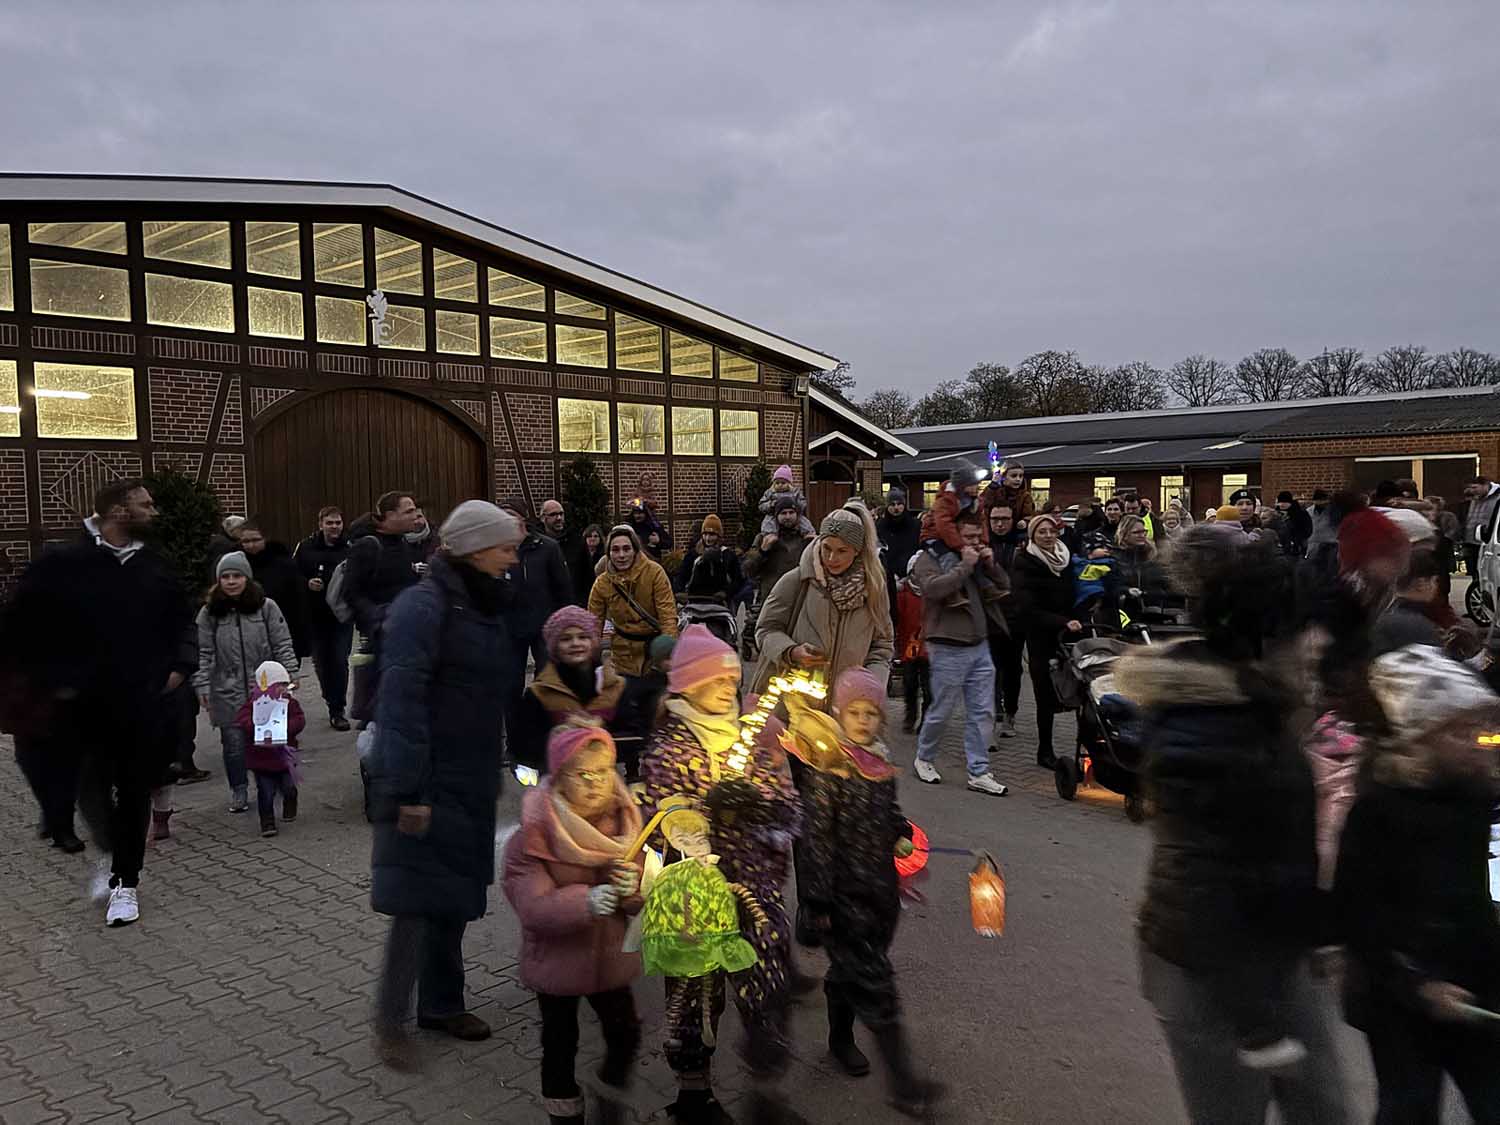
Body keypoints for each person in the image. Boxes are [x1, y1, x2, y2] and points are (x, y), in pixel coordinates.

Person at [1117, 525, 1347, 1125]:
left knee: (1326, 1108)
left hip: (1273, 955)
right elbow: (1204, 886)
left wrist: (1321, 930)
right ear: (1267, 639)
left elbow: (1279, 848)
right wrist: (1258, 1024)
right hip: (1209, 975)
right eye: (1305, 632)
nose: (1319, 644)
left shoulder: (1261, 708)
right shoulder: (1205, 734)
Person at [368, 501, 523, 1070]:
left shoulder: (478, 602)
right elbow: (401, 701)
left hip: (468, 775)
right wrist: (408, 790)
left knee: (452, 896)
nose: (512, 557)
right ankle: (391, 1022)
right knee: (415, 903)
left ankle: (441, 1004)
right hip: (428, 779)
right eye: (504, 547)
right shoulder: (424, 606)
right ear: (475, 549)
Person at [1, 480, 195, 925]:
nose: (154, 511)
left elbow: (183, 621)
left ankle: (126, 883)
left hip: (138, 704)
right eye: (146, 504)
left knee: (133, 789)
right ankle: (108, 850)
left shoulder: (154, 565)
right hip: (77, 707)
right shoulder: (63, 562)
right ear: (118, 510)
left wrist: (181, 665)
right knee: (89, 788)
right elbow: (20, 624)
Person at [1335, 645, 1500, 1123]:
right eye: (1458, 731)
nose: (1477, 742)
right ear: (1419, 738)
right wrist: (1420, 983)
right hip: (1399, 1000)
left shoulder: (1471, 795)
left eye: (1480, 727)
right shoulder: (1379, 809)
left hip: (1472, 987)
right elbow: (1358, 914)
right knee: (1408, 1107)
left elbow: (1469, 899)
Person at [641, 624, 802, 1112]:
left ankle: (765, 1068)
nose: (726, 689)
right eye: (714, 680)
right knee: (694, 991)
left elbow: (790, 808)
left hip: (754, 884)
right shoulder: (669, 747)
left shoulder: (754, 736)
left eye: (731, 680)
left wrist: (760, 803)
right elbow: (656, 818)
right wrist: (703, 810)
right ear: (688, 685)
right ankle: (693, 1089)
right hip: (694, 895)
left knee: (767, 972)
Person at [781, 668, 944, 1117]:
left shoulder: (879, 763)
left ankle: (839, 1039)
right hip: (842, 898)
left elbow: (888, 812)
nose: (862, 721)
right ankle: (905, 1086)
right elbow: (815, 840)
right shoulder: (827, 768)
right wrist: (817, 901)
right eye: (854, 712)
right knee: (876, 984)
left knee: (849, 971)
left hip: (880, 893)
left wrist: (899, 832)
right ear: (839, 714)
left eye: (871, 713)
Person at [502, 725, 645, 1125]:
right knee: (560, 1043)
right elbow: (532, 904)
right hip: (557, 963)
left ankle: (608, 1091)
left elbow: (640, 895)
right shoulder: (535, 832)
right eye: (582, 774)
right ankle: (565, 1116)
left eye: (603, 771)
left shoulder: (626, 823)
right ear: (560, 776)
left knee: (626, 1032)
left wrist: (633, 888)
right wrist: (586, 901)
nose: (595, 782)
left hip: (610, 958)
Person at [910, 512, 1008, 796]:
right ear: (953, 536)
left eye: (978, 536)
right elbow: (933, 589)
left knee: (982, 712)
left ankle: (979, 771)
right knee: (942, 710)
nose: (974, 542)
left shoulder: (977, 560)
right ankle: (924, 757)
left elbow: (1005, 586)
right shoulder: (930, 557)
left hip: (979, 644)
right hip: (947, 645)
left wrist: (990, 565)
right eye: (968, 537)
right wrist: (964, 566)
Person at [752, 502, 894, 697]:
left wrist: (870, 687)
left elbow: (882, 646)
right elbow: (765, 629)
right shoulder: (796, 580)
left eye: (842, 551)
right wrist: (790, 651)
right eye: (826, 548)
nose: (832, 558)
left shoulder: (874, 589)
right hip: (795, 702)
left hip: (846, 705)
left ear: (857, 551)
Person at [194, 551, 299, 814]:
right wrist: (202, 684)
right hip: (225, 690)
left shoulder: (266, 607)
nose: (231, 581)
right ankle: (238, 788)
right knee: (233, 745)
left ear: (247, 578)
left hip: (264, 688)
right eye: (225, 577)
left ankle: (276, 783)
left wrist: (289, 675)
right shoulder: (209, 613)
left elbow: (282, 643)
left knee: (270, 742)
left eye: (237, 576)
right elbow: (203, 652)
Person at [511, 606, 627, 778]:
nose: (575, 643)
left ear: (593, 642)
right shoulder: (540, 693)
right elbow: (525, 746)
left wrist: (600, 732)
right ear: (554, 646)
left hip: (605, 782)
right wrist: (562, 737)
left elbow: (631, 736)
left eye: (583, 637)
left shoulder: (614, 687)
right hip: (557, 781)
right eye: (566, 639)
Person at [343, 491, 425, 722]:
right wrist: (377, 617)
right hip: (380, 637)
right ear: (389, 515)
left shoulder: (403, 543)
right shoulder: (368, 546)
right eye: (409, 511)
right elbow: (351, 592)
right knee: (379, 706)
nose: (416, 515)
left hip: (406, 632)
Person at [1010, 513, 1081, 770]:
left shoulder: (1066, 557)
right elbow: (1026, 607)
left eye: (1052, 531)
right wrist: (1061, 621)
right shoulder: (1025, 562)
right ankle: (1045, 749)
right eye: (1042, 532)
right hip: (1041, 634)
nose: (1048, 536)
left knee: (1078, 690)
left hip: (1071, 632)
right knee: (1045, 694)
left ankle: (1084, 746)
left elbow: (1077, 591)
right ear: (1033, 535)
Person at [499, 497, 572, 717]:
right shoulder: (498, 550)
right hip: (511, 629)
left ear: (523, 518)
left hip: (544, 627)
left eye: (511, 515)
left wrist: (564, 625)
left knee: (547, 684)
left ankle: (545, 728)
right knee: (510, 687)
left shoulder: (547, 547)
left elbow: (563, 588)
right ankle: (515, 733)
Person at [587, 525, 678, 679]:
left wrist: (667, 652)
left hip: (653, 651)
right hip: (622, 654)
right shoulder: (602, 583)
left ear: (635, 550)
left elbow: (667, 615)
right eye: (615, 550)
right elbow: (593, 623)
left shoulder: (654, 573)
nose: (621, 555)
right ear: (608, 553)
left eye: (626, 549)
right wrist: (589, 656)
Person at [294, 505, 353, 730]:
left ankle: (338, 709)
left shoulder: (350, 548)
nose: (334, 527)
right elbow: (294, 574)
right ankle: (330, 698)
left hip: (341, 616)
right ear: (320, 524)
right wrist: (307, 583)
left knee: (339, 660)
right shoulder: (305, 547)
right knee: (321, 662)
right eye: (329, 523)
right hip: (315, 615)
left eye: (338, 522)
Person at [233, 660, 306, 838]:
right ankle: (267, 822)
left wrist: (286, 727)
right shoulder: (254, 704)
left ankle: (290, 802)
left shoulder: (289, 703)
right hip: (261, 760)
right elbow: (242, 720)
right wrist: (256, 726)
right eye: (278, 685)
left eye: (284, 685)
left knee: (288, 787)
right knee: (266, 792)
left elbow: (299, 719)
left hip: (284, 758)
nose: (282, 689)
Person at [743, 496, 813, 659]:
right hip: (772, 599)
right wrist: (763, 551)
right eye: (783, 513)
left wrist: (813, 546)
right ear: (776, 516)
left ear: (798, 515)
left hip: (800, 601)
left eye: (791, 512)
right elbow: (748, 569)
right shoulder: (764, 538)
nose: (787, 517)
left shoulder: (806, 538)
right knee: (771, 646)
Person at [234, 520, 309, 659]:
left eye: (255, 540)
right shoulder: (234, 566)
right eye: (246, 541)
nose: (251, 545)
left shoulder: (284, 565)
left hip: (280, 631)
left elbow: (298, 603)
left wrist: (300, 640)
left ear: (265, 539)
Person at [985, 504, 1025, 741]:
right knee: (990, 669)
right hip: (990, 618)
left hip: (1015, 620)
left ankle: (1010, 712)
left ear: (1012, 520)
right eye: (995, 519)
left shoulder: (1021, 546)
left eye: (1004, 519)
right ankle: (993, 714)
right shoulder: (984, 545)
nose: (999, 524)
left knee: (1013, 670)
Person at [1102, 515, 1165, 628]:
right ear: (1124, 534)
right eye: (1137, 532)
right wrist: (1126, 590)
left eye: (1144, 531)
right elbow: (1109, 586)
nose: (1142, 535)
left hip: (1152, 614)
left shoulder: (1152, 555)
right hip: (1123, 614)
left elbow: (1161, 581)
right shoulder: (1113, 557)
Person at [894, 557, 931, 733]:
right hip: (909, 647)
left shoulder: (934, 592)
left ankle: (926, 720)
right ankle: (910, 716)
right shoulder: (903, 594)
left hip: (930, 648)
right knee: (909, 685)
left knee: (929, 688)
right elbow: (898, 620)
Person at [875, 486, 922, 620]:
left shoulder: (915, 525)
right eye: (892, 504)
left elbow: (919, 549)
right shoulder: (880, 526)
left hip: (911, 580)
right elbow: (878, 549)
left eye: (899, 504)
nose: (896, 508)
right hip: (888, 580)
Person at [673, 514, 744, 602]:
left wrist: (727, 592)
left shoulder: (727, 555)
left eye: (712, 534)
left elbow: (738, 580)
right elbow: (681, 576)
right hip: (695, 600)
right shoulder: (693, 554)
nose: (707, 538)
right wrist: (679, 591)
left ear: (719, 536)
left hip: (721, 602)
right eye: (705, 534)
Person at [541, 499, 595, 608]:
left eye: (561, 514)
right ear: (543, 518)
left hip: (572, 606)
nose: (559, 518)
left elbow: (588, 578)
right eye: (553, 514)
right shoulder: (537, 544)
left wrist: (582, 604)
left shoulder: (577, 542)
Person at [758, 463, 815, 537]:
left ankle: (808, 533)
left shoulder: (795, 492)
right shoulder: (770, 493)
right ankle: (769, 534)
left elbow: (803, 502)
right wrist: (770, 505)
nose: (780, 485)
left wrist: (797, 505)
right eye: (777, 483)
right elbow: (761, 504)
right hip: (774, 513)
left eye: (783, 483)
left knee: (802, 519)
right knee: (769, 520)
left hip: (792, 512)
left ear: (789, 483)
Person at [1461, 475, 1500, 579]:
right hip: (1471, 541)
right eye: (1470, 488)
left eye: (1475, 487)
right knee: (1474, 572)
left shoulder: (1497, 498)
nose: (1472, 490)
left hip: (1487, 541)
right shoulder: (1475, 499)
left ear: (1485, 485)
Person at [1275, 492, 1313, 558]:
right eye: (1280, 502)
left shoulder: (1300, 513)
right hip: (1280, 548)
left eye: (1284, 502)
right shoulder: (1275, 514)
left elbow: (1308, 529)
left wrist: (1298, 540)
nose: (1282, 504)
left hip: (1297, 548)